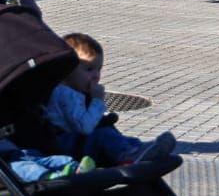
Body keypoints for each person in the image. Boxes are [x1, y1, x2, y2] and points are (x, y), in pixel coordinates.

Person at [44, 33, 175, 166]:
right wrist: (97, 101)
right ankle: (128, 156)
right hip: (66, 145)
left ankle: (139, 150)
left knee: (119, 138)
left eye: (98, 69)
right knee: (104, 134)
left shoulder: (71, 91)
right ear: (67, 69)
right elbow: (85, 127)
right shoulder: (65, 95)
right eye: (89, 69)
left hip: (73, 139)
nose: (96, 75)